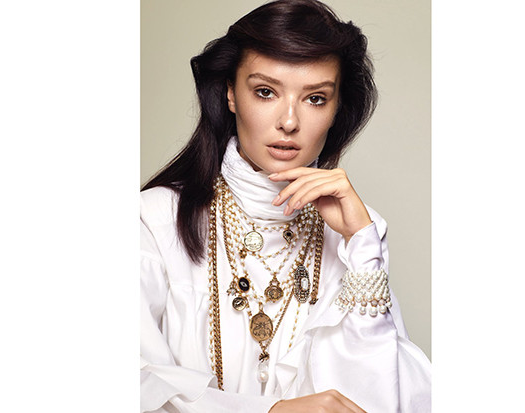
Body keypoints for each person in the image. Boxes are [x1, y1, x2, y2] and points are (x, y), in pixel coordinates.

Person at [140, 0, 431, 411]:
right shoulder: (154, 220)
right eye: (265, 92)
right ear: (230, 93)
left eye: (316, 99)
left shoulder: (354, 234)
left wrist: (363, 248)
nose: (289, 121)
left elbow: (380, 400)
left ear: (336, 110)